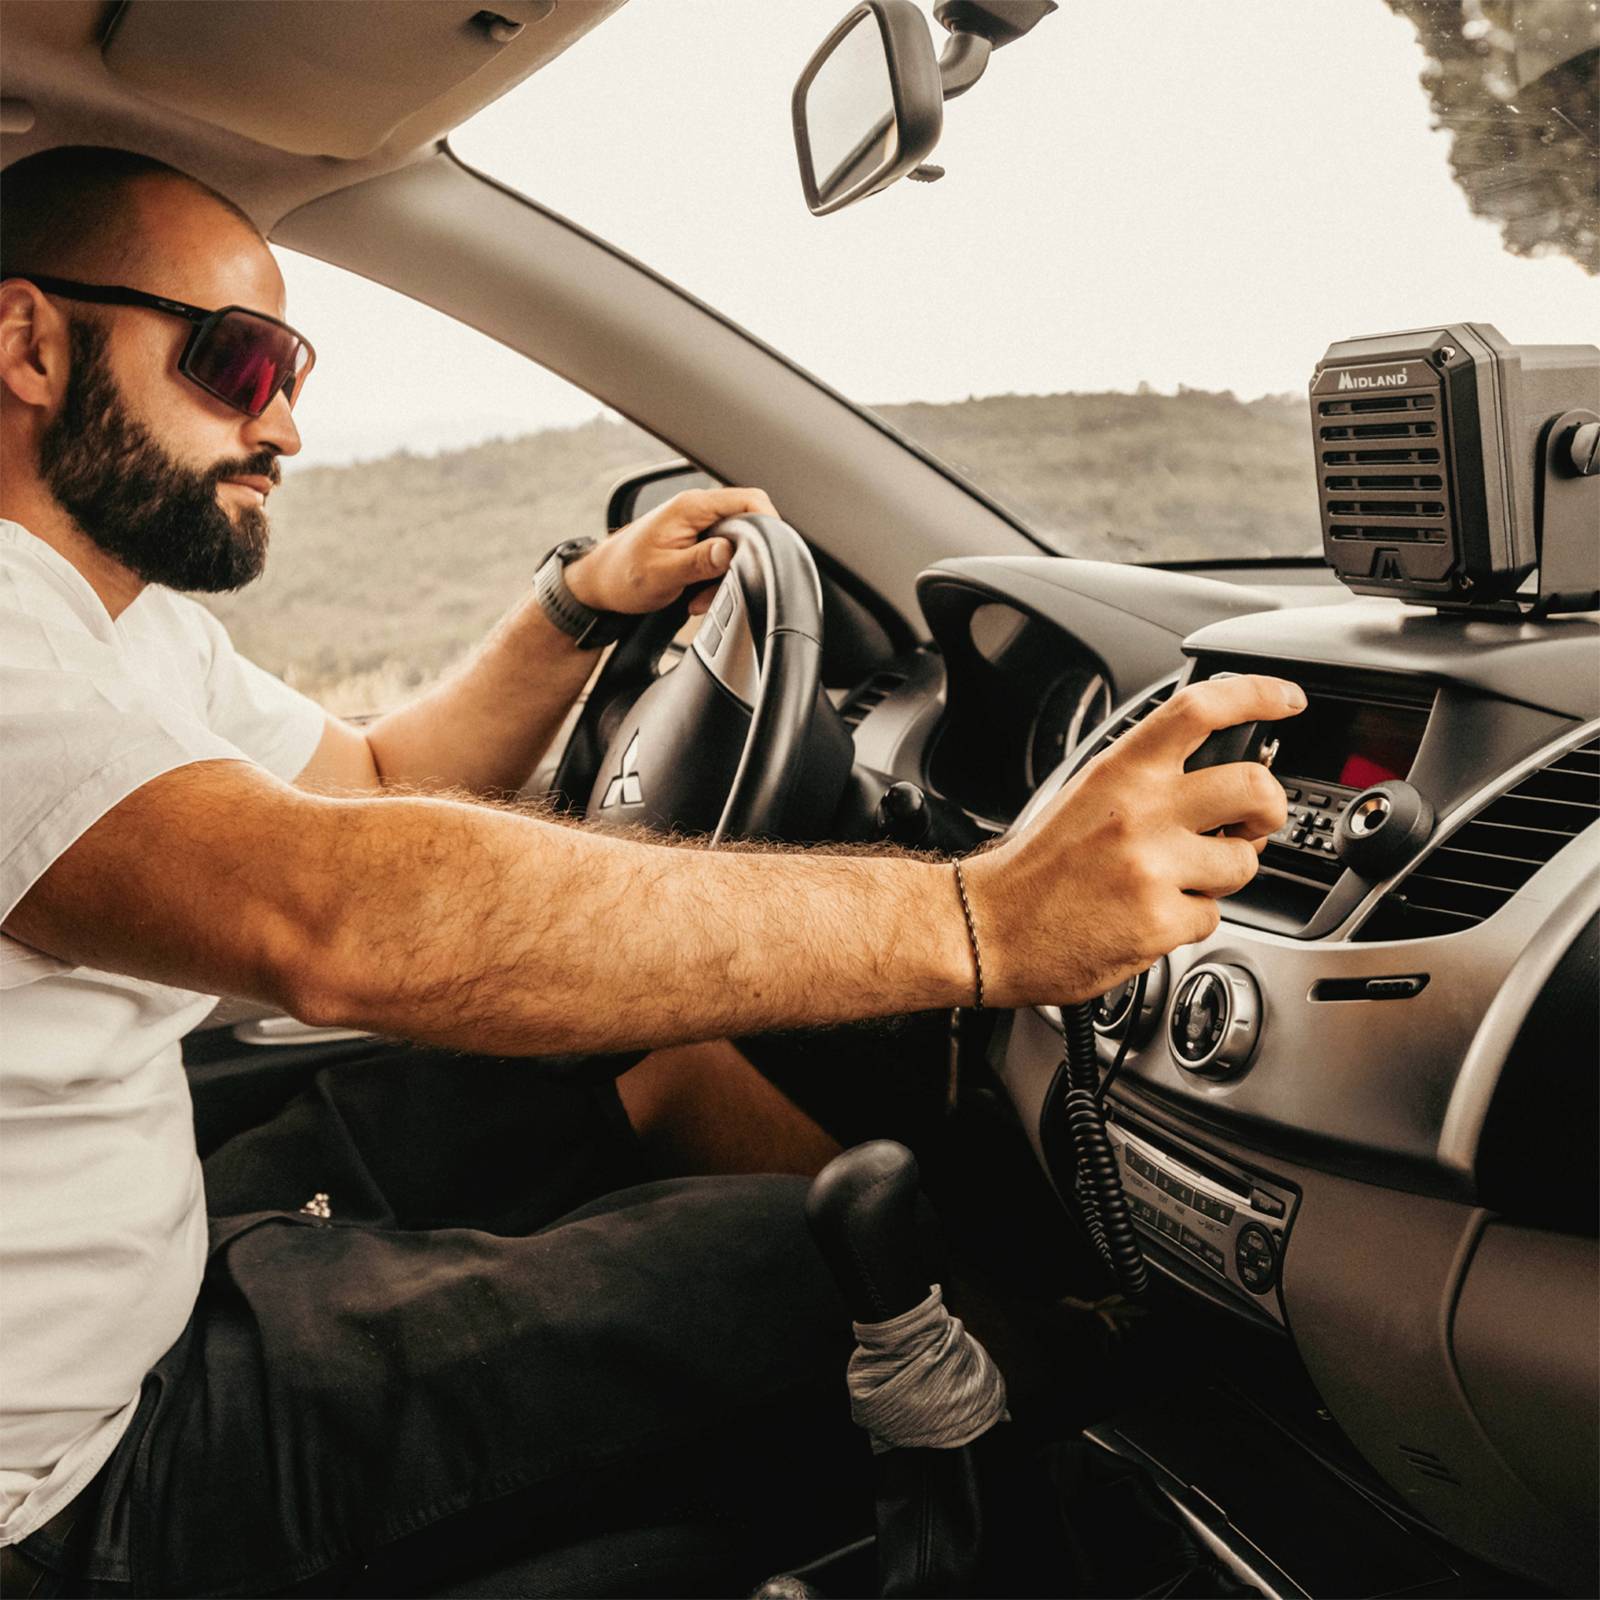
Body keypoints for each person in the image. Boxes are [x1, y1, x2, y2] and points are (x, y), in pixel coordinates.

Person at [0, 146, 1299, 1596]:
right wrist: (983, 916)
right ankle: (1133, 1424)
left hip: (141, 1279)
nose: (288, 424)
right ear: (32, 343)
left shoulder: (117, 628)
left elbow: (373, 786)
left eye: (293, 367)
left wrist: (577, 604)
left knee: (627, 1048)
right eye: (240, 363)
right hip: (73, 1484)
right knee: (823, 1284)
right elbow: (334, 915)